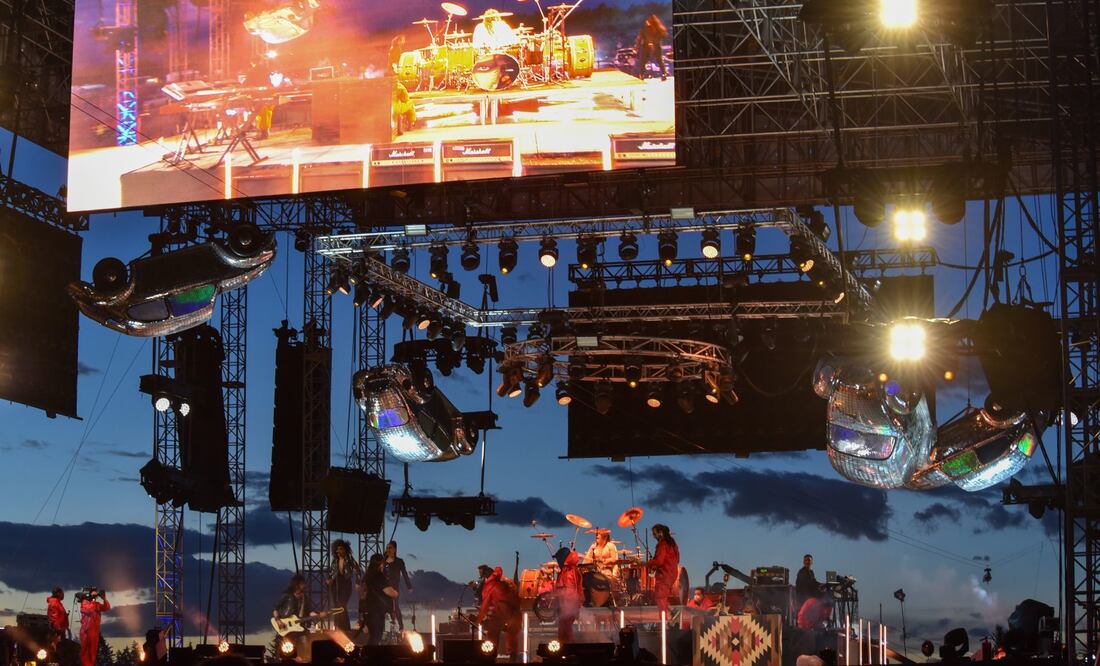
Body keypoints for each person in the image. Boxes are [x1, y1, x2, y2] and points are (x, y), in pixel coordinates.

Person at [477, 567, 521, 658]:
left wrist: (479, 619)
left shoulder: (491, 586)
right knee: (512, 638)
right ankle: (512, 656)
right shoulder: (508, 583)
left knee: (492, 637)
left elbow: (485, 604)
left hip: (500, 615)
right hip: (512, 615)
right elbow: (516, 600)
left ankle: (491, 656)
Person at [359, 554, 398, 645]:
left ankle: (368, 656)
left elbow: (361, 591)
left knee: (373, 636)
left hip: (367, 610)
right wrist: (395, 593)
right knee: (376, 637)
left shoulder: (367, 576)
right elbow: (389, 591)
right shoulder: (378, 575)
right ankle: (369, 657)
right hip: (376, 611)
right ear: (381, 564)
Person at [272, 574, 315, 656]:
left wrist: (318, 615)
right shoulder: (287, 596)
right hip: (287, 629)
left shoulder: (305, 598)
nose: (304, 585)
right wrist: (278, 621)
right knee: (287, 652)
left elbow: (310, 611)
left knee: (307, 645)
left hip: (300, 628)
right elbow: (275, 609)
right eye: (302, 583)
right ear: (297, 584)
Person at [646, 524, 679, 618]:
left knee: (660, 598)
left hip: (664, 574)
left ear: (660, 533)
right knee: (662, 597)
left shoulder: (662, 544)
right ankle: (672, 613)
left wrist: (647, 563)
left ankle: (664, 622)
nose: (653, 536)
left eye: (654, 534)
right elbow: (677, 559)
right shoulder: (673, 544)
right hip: (672, 573)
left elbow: (659, 561)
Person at [327, 540, 361, 632]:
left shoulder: (349, 558)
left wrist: (357, 582)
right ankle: (337, 627)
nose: (338, 551)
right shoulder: (335, 560)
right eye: (337, 549)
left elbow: (358, 570)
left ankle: (345, 628)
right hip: (335, 584)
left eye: (340, 549)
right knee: (336, 606)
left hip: (346, 584)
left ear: (345, 550)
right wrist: (329, 579)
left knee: (342, 605)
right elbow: (331, 572)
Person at [553, 548, 583, 643]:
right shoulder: (571, 569)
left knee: (565, 631)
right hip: (569, 607)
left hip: (567, 607)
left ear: (562, 558)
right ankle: (568, 649)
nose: (557, 562)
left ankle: (568, 651)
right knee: (566, 630)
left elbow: (568, 591)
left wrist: (563, 607)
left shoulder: (568, 571)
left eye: (558, 559)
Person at [383, 541, 413, 631]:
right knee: (382, 607)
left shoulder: (399, 561)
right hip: (384, 588)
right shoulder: (383, 561)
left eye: (390, 547)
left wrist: (409, 586)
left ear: (395, 549)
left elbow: (404, 573)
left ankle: (401, 627)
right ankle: (381, 628)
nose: (388, 549)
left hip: (394, 588)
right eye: (387, 548)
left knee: (395, 606)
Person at [78, 589, 109, 666]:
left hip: (94, 631)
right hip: (86, 631)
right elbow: (90, 610)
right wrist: (93, 599)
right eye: (93, 593)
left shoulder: (96, 604)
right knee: (85, 652)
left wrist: (104, 598)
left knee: (93, 652)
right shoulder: (84, 603)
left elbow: (106, 607)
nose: (95, 594)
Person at [634, 14, 668, 80]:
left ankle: (664, 74)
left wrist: (653, 43)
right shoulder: (644, 29)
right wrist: (636, 48)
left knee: (659, 60)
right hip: (646, 47)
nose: (646, 22)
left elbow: (662, 36)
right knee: (643, 61)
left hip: (655, 46)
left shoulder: (658, 28)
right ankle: (641, 75)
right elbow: (639, 38)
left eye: (647, 21)